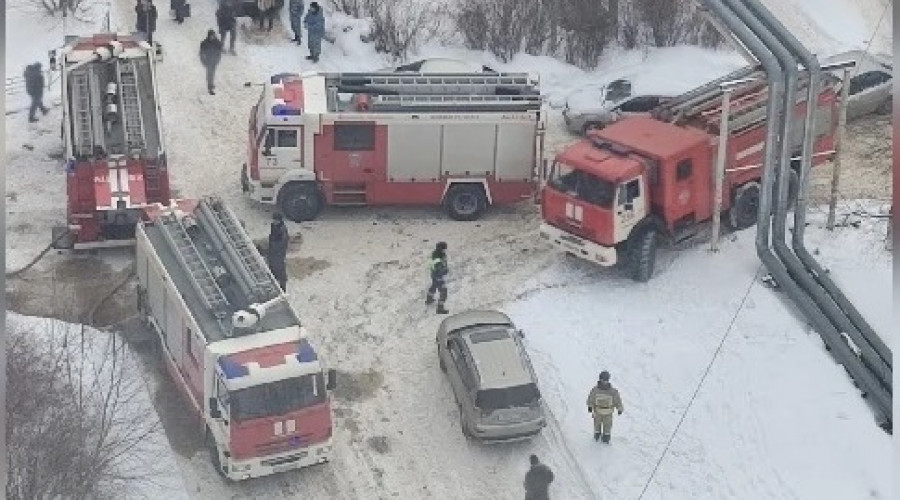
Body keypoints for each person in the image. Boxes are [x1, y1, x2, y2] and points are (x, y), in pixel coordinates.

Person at [586, 371, 624, 443]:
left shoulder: (612, 391)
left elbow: (617, 400)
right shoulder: (595, 390)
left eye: (606, 380)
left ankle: (606, 438)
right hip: (598, 411)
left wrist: (619, 408)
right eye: (603, 380)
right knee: (597, 424)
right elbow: (591, 398)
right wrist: (590, 406)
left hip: (608, 412)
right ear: (600, 379)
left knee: (607, 425)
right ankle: (597, 436)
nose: (604, 382)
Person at [267, 212, 290, 291]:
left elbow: (283, 242)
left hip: (278, 252)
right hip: (272, 251)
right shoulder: (273, 226)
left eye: (276, 220)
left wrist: (277, 250)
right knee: (272, 267)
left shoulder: (282, 229)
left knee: (280, 268)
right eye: (274, 220)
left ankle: (283, 287)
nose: (274, 221)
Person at [425, 241, 449, 315]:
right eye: (444, 249)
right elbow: (438, 266)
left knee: (434, 286)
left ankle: (429, 299)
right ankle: (440, 308)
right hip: (438, 275)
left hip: (434, 274)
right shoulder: (438, 256)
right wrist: (443, 270)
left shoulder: (436, 254)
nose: (445, 250)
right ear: (441, 248)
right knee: (444, 291)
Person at [199, 30, 223, 95]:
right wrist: (204, 62)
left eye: (213, 36)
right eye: (211, 36)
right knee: (210, 72)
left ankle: (210, 82)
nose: (212, 37)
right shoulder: (204, 43)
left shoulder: (217, 42)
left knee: (212, 72)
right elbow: (201, 54)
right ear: (209, 36)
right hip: (208, 61)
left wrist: (218, 60)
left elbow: (219, 52)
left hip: (215, 61)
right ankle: (210, 86)